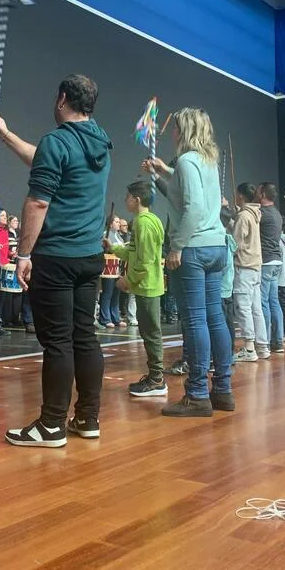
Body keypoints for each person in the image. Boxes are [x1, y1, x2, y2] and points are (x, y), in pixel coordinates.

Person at [0, 74, 112, 447]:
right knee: (84, 336)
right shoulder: (100, 141)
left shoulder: (57, 141)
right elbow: (45, 159)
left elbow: (38, 202)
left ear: (62, 99)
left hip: (57, 256)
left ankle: (51, 425)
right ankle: (88, 418)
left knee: (58, 341)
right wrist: (7, 136)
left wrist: (23, 254)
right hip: (89, 257)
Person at [144, 108, 232, 417]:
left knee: (194, 321)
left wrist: (177, 246)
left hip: (194, 248)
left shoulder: (186, 160)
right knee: (215, 318)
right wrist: (162, 170)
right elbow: (188, 187)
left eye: (176, 127)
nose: (172, 133)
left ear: (184, 131)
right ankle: (223, 390)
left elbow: (193, 208)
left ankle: (197, 394)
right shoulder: (207, 160)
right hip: (216, 247)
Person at [104, 179, 165, 397]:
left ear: (137, 199)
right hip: (148, 285)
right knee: (149, 333)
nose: (125, 200)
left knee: (151, 334)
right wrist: (114, 248)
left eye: (127, 197)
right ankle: (155, 376)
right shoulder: (148, 220)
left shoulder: (143, 223)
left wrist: (128, 281)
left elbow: (145, 260)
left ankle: (157, 379)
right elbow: (134, 250)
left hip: (146, 286)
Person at [232, 183, 264, 362]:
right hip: (255, 266)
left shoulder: (244, 216)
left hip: (244, 267)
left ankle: (250, 348)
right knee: (256, 308)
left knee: (243, 308)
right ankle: (262, 346)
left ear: (241, 196)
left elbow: (235, 243)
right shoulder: (254, 213)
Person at [257, 182, 285, 353]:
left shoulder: (262, 213)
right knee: (274, 301)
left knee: (263, 302)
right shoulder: (277, 214)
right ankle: (278, 341)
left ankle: (265, 342)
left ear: (262, 194)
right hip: (276, 261)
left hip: (266, 261)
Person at [98, 216, 124, 328]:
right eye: (116, 222)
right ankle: (105, 318)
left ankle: (115, 318)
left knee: (116, 294)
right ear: (110, 223)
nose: (119, 224)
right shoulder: (106, 234)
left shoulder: (119, 236)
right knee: (107, 293)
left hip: (118, 268)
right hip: (109, 268)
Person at [219, 206, 237, 354]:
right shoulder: (230, 240)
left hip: (220, 288)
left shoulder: (222, 241)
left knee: (222, 322)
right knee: (228, 321)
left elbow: (223, 265)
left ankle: (225, 353)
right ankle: (229, 351)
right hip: (228, 287)